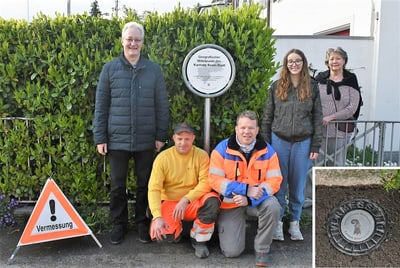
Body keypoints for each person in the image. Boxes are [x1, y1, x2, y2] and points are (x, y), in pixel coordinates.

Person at [93, 21, 169, 245]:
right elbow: (101, 105)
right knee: (118, 185)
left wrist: (160, 135)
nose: (133, 43)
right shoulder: (109, 69)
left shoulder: (154, 70)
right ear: (122, 41)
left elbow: (162, 105)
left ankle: (142, 224)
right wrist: (100, 137)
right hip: (117, 140)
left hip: (146, 139)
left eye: (137, 40)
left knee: (145, 184)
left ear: (142, 43)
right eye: (130, 39)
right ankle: (119, 225)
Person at [261, 49, 323, 241]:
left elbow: (317, 118)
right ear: (285, 64)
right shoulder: (276, 86)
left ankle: (294, 224)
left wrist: (315, 146)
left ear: (303, 63)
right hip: (279, 140)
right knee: (278, 185)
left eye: (297, 61)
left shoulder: (313, 87)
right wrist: (266, 144)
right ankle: (278, 224)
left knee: (297, 187)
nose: (294, 64)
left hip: (303, 143)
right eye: (290, 61)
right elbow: (267, 117)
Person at [209, 110, 282, 267]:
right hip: (231, 203)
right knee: (231, 252)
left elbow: (275, 181)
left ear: (257, 130)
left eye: (250, 128)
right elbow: (214, 180)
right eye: (243, 128)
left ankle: (262, 249)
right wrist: (245, 189)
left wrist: (249, 198)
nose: (246, 132)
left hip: (257, 201)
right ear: (236, 129)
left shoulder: (268, 151)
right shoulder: (221, 149)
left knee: (273, 206)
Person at [148, 123, 220, 258]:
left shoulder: (202, 155)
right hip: (170, 202)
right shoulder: (162, 158)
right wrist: (157, 216)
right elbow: (154, 189)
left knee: (212, 201)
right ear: (174, 138)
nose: (183, 143)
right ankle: (175, 227)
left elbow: (206, 182)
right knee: (165, 237)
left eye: (187, 139)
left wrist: (186, 199)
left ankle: (199, 240)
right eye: (180, 139)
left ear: (193, 139)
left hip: (192, 201)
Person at [314, 47, 361, 166]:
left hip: (341, 130)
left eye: (338, 58)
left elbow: (353, 106)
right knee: (316, 165)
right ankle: (315, 185)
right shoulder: (319, 79)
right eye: (332, 59)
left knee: (337, 165)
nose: (335, 62)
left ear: (344, 61)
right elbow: (312, 102)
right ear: (327, 62)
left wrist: (332, 117)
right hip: (320, 130)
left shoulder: (351, 79)